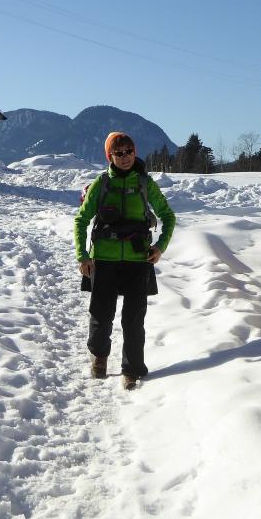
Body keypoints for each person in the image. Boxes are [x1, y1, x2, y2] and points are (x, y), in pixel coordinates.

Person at [74, 132, 176, 389]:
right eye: (119, 153)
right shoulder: (101, 184)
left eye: (129, 151)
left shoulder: (144, 184)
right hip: (104, 261)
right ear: (110, 156)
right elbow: (81, 220)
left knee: (133, 319)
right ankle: (99, 356)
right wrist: (83, 256)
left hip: (138, 261)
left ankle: (131, 369)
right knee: (101, 314)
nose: (125, 156)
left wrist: (160, 247)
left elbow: (168, 216)